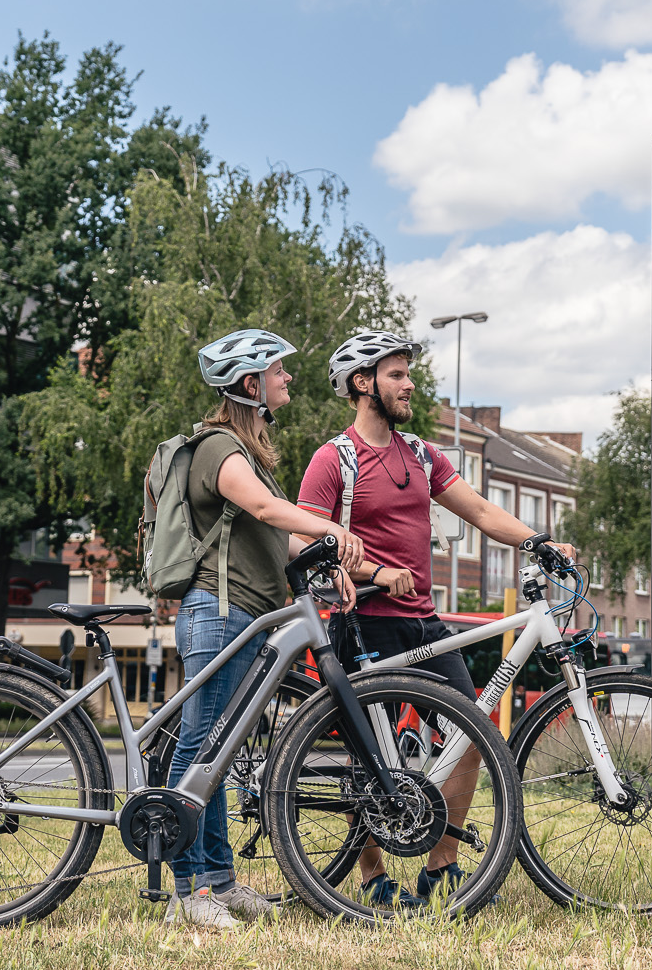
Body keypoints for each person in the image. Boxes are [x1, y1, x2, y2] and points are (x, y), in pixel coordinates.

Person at [297, 329, 572, 909]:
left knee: (476, 732)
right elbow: (302, 542)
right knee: (365, 758)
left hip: (423, 620)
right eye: (396, 375)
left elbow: (475, 509)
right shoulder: (333, 459)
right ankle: (372, 879)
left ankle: (440, 867)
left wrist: (538, 542)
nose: (409, 384)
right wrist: (370, 571)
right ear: (361, 383)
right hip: (362, 622)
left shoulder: (421, 453)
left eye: (408, 374)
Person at [165, 327, 365, 930]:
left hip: (246, 615)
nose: (287, 379)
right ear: (250, 384)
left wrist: (327, 571)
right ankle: (185, 892)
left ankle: (218, 882)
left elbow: (279, 536)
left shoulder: (249, 453)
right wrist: (334, 530)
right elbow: (266, 511)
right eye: (278, 371)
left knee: (218, 756)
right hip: (216, 612)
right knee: (199, 749)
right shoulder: (217, 448)